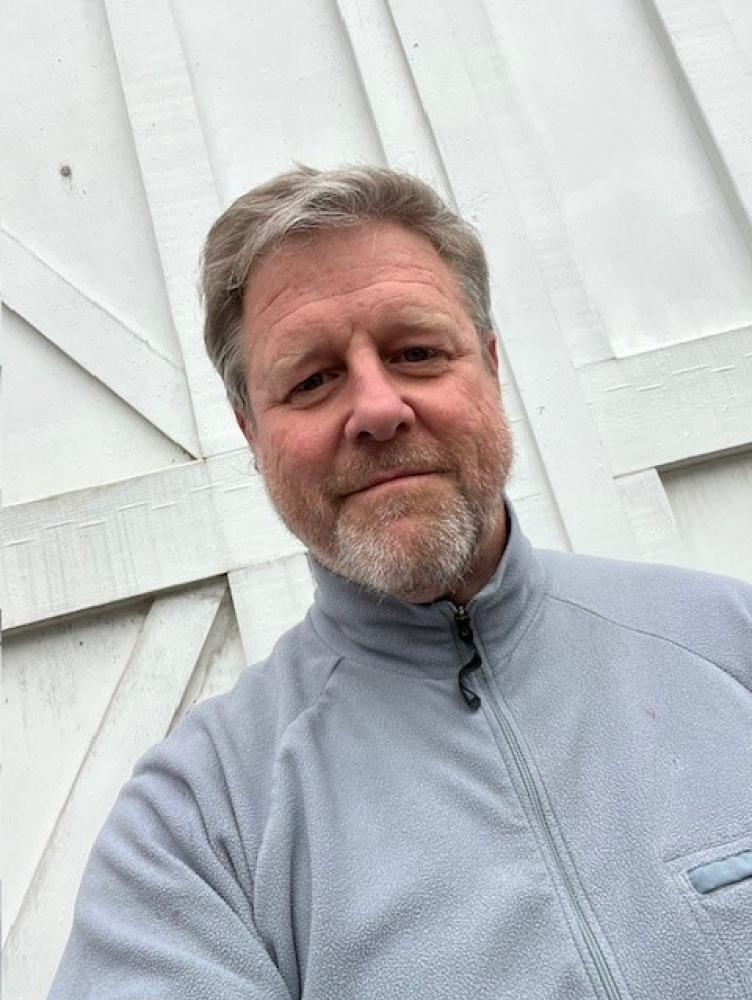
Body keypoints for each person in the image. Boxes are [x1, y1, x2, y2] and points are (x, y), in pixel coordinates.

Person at [51, 166, 751, 999]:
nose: (377, 408)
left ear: (490, 368)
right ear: (252, 433)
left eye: (416, 353)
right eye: (312, 380)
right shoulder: (196, 829)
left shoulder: (728, 640)